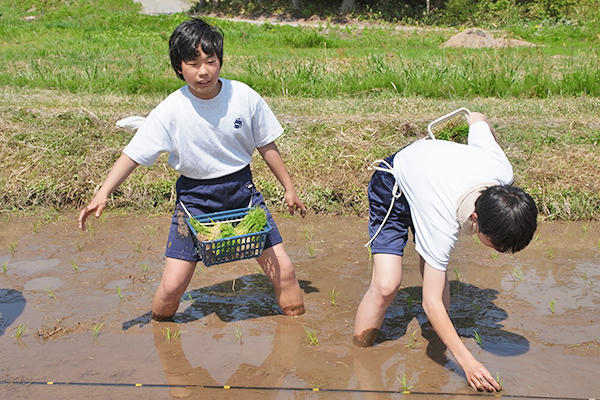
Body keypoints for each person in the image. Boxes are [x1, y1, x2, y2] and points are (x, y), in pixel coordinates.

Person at [78, 18, 306, 320]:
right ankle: (159, 332)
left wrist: (289, 188)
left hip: (243, 195)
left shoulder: (244, 97)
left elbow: (266, 145)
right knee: (173, 287)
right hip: (195, 202)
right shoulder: (171, 110)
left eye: (210, 61)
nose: (203, 71)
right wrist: (103, 192)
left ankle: (297, 331)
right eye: (193, 62)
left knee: (285, 272)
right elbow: (133, 154)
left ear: (220, 61)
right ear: (179, 67)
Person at [353, 112, 537, 392]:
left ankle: (438, 334)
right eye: (496, 245)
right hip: (395, 183)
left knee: (436, 267)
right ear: (475, 219)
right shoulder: (441, 221)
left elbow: (477, 117)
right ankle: (360, 353)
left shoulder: (502, 170)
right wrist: (468, 362)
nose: (496, 252)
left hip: (430, 177)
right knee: (386, 285)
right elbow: (430, 302)